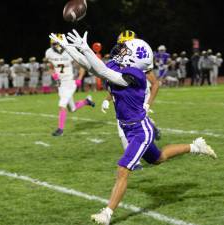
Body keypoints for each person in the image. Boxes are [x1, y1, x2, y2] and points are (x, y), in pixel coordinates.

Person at [50, 30, 217, 225]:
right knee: (159, 158)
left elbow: (102, 71)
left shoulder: (135, 75)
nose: (120, 51)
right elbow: (92, 68)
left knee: (123, 169)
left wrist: (86, 49)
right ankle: (196, 146)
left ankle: (107, 213)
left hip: (139, 130)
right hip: (128, 126)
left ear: (135, 59)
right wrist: (70, 48)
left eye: (125, 50)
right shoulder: (120, 65)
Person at [46, 33, 95, 136]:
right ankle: (87, 101)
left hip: (69, 82)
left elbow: (82, 65)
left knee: (62, 105)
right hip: (60, 84)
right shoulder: (49, 53)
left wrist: (79, 78)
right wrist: (53, 74)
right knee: (72, 108)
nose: (54, 46)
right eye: (53, 44)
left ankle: (60, 129)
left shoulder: (69, 51)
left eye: (56, 43)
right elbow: (49, 66)